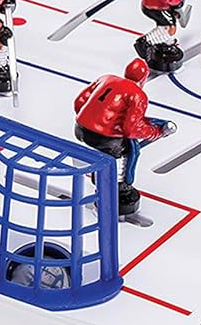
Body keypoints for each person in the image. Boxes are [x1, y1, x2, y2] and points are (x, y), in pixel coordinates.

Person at [73, 58, 176, 218]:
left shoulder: (106, 78)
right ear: (144, 79)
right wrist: (154, 133)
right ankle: (122, 186)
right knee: (131, 148)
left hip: (80, 128)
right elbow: (131, 129)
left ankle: (99, 176)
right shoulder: (138, 95)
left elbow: (79, 102)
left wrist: (93, 119)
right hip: (104, 139)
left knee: (107, 151)